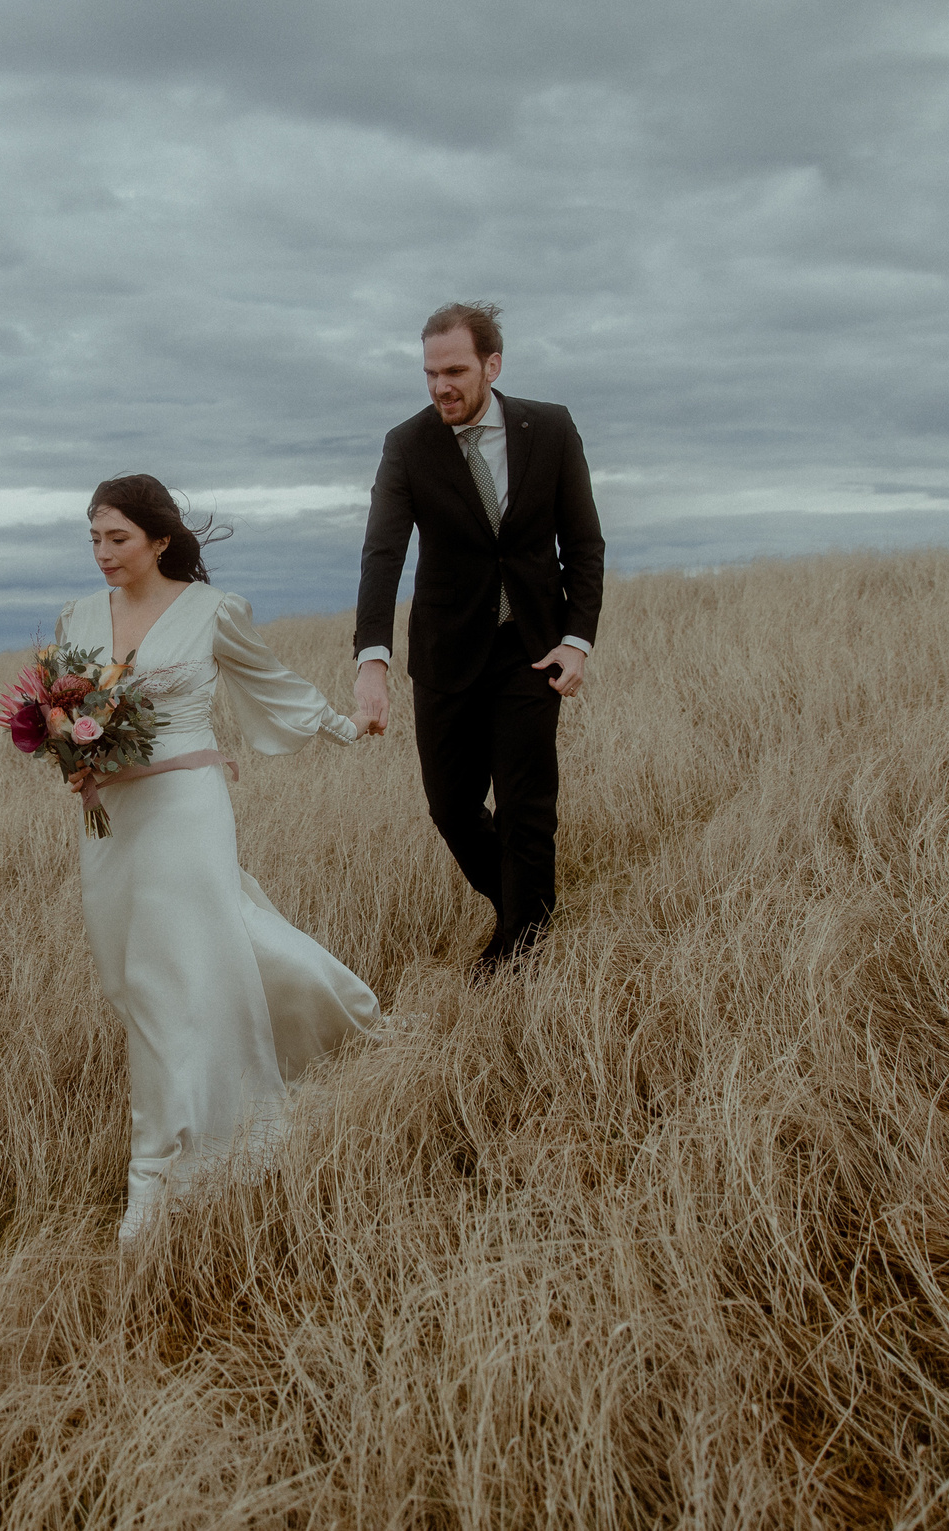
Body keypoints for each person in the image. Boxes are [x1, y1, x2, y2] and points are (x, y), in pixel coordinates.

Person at [63, 474, 382, 1243]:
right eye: (95, 538)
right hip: (110, 813)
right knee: (133, 970)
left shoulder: (211, 610)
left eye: (119, 538)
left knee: (169, 971)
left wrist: (344, 724)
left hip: (186, 805)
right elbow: (71, 707)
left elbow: (268, 682)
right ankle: (338, 1015)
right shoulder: (78, 616)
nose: (104, 553)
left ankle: (173, 1168)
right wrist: (65, 751)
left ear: (160, 539)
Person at [352, 302, 605, 977]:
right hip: (445, 652)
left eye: (455, 370)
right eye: (431, 373)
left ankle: (521, 946)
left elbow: (582, 542)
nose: (441, 386)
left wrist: (578, 638)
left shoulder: (548, 428)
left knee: (527, 804)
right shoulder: (407, 445)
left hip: (532, 645)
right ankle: (531, 905)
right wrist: (371, 660)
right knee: (452, 808)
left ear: (493, 364)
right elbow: (383, 554)